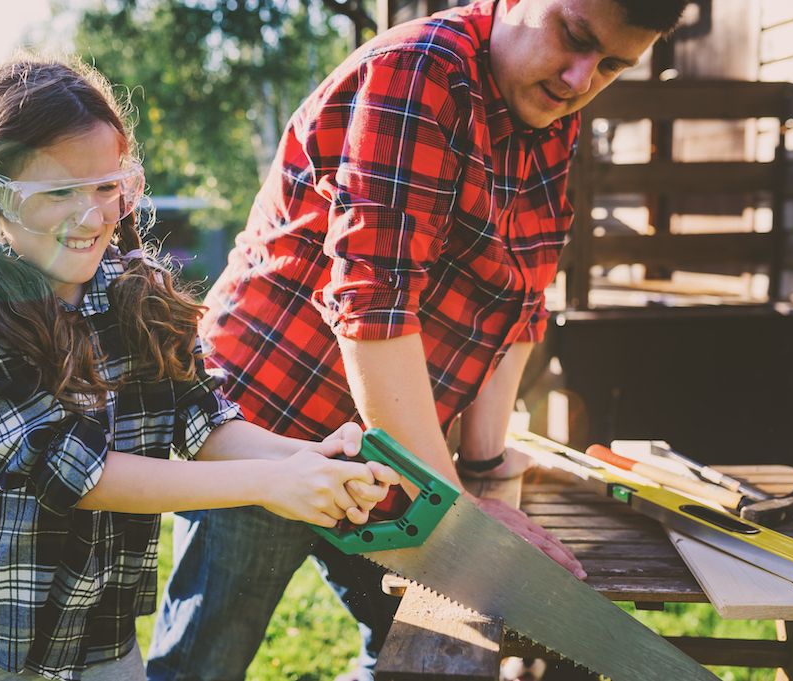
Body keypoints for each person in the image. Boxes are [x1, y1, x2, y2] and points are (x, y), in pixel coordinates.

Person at [148, 0, 690, 679]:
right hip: (267, 423)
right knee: (203, 659)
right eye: (573, 37)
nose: (580, 79)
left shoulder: (554, 112)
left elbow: (518, 298)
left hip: (390, 442)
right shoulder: (418, 73)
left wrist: (485, 469)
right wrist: (459, 520)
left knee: (424, 658)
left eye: (611, 66)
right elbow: (375, 306)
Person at [0, 56, 400, 681]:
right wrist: (265, 486)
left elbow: (204, 424)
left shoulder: (139, 294)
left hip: (105, 641)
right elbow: (74, 475)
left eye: (107, 186)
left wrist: (305, 459)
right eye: (57, 193)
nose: (93, 217)